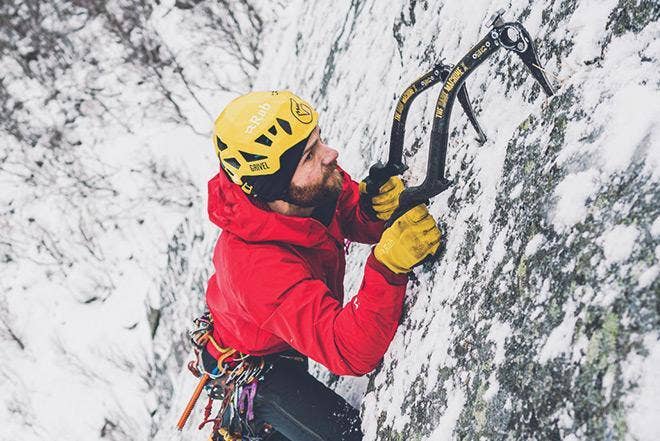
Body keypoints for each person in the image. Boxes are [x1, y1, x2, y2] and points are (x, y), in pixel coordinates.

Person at [203, 90, 440, 440]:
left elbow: (343, 214)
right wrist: (388, 267)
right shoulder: (255, 268)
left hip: (272, 328)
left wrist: (371, 210)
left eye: (319, 140)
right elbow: (347, 352)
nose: (331, 154)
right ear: (275, 188)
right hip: (253, 366)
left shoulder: (302, 187)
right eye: (309, 156)